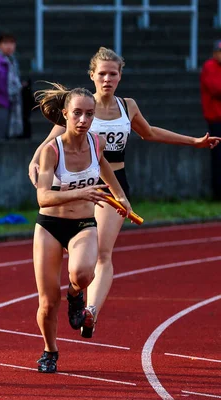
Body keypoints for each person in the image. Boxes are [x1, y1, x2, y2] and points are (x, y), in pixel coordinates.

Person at [28, 47, 221, 339]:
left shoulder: (127, 106)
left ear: (120, 76)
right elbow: (50, 143)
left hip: (112, 183)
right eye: (102, 73)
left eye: (113, 74)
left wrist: (193, 141)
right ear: (92, 75)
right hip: (75, 185)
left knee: (102, 253)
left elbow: (150, 132)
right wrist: (34, 163)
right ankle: (76, 289)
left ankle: (90, 309)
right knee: (76, 250)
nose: (107, 79)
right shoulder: (80, 107)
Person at [33, 84, 131, 373]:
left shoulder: (95, 142)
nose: (83, 120)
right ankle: (50, 350)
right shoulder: (52, 150)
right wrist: (81, 193)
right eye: (77, 113)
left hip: (82, 223)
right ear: (65, 115)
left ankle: (75, 294)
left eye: (89, 114)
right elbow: (43, 197)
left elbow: (105, 168)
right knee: (48, 302)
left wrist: (120, 196)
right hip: (50, 225)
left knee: (84, 273)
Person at [200, 40, 221, 200]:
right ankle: (217, 193)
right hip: (216, 119)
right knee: (218, 157)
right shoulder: (210, 66)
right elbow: (216, 88)